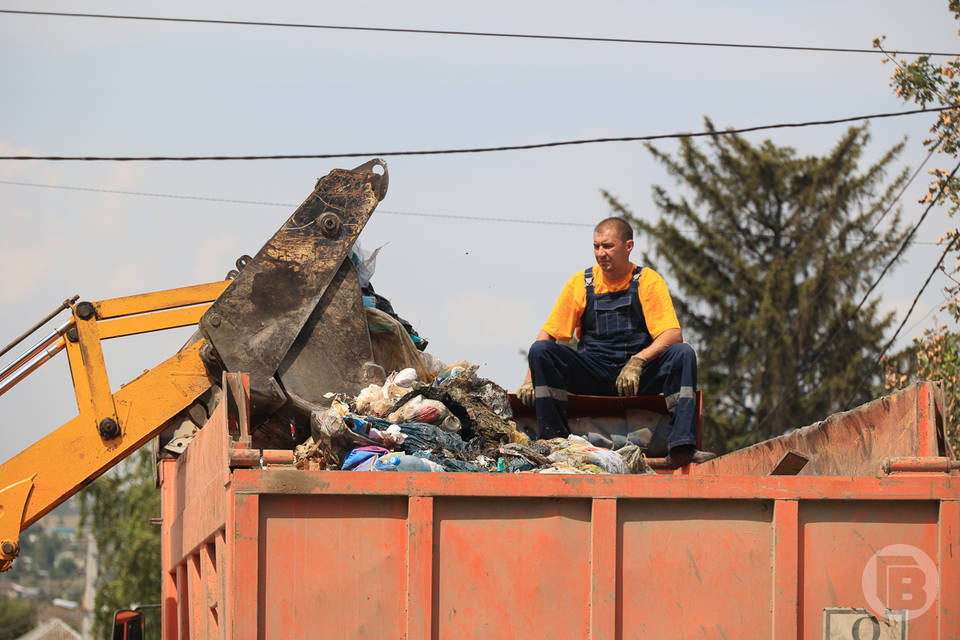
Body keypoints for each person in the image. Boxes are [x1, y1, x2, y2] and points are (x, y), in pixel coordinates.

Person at [516, 217, 715, 467]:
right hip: (593, 374)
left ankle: (681, 446)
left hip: (636, 379)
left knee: (682, 353)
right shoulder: (581, 282)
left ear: (628, 246)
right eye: (596, 246)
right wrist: (528, 380)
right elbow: (548, 334)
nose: (601, 253)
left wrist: (639, 360)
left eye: (608, 246)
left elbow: (673, 334)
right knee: (541, 350)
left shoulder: (647, 281)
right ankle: (554, 441)